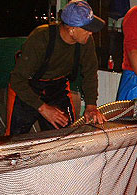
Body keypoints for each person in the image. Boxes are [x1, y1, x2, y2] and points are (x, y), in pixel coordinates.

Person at [7, 0, 106, 135]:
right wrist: (43, 108)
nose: (91, 33)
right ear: (72, 29)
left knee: (65, 138)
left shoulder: (85, 41)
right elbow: (17, 79)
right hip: (28, 88)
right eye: (87, 29)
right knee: (14, 142)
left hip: (57, 88)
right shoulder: (41, 38)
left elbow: (90, 73)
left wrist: (91, 106)